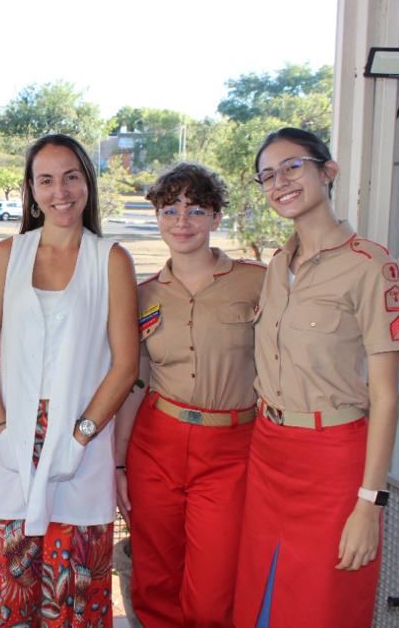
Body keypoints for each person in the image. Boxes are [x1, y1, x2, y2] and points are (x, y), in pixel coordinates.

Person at [233, 128, 399, 627]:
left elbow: (387, 398)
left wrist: (369, 504)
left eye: (292, 167)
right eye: (267, 175)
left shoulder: (371, 266)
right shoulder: (276, 266)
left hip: (334, 462)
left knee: (323, 606)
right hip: (268, 452)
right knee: (259, 604)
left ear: (327, 172)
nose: (279, 182)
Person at [0, 133, 138, 623]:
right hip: (15, 441)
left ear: (87, 182)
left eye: (71, 177)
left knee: (75, 597)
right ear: (31, 189)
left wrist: (80, 435)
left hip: (81, 441)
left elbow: (125, 365)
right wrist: (0, 431)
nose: (60, 191)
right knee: (11, 590)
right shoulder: (8, 255)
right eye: (46, 180)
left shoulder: (111, 259)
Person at [112, 163, 265, 627]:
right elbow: (134, 380)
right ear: (156, 216)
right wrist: (119, 463)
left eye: (196, 209)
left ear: (217, 217)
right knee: (155, 578)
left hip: (231, 450)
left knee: (213, 586)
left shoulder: (259, 282)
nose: (182, 221)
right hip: (156, 444)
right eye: (170, 209)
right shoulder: (140, 295)